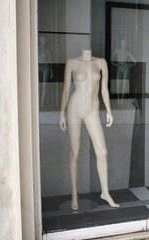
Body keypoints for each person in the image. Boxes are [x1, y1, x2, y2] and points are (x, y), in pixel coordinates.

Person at [59, 49, 120, 210]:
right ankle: (74, 194)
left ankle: (105, 192)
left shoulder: (100, 62)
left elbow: (104, 89)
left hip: (92, 109)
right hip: (75, 108)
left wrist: (109, 111)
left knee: (102, 151)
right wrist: (61, 113)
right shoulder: (72, 62)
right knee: (75, 153)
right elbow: (66, 89)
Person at [38, 36, 53, 106]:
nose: (43, 41)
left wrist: (51, 71)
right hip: (38, 67)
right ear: (40, 40)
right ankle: (37, 102)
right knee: (38, 86)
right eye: (42, 39)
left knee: (45, 85)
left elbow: (50, 61)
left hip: (46, 67)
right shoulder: (37, 49)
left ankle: (42, 104)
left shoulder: (47, 51)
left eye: (44, 40)